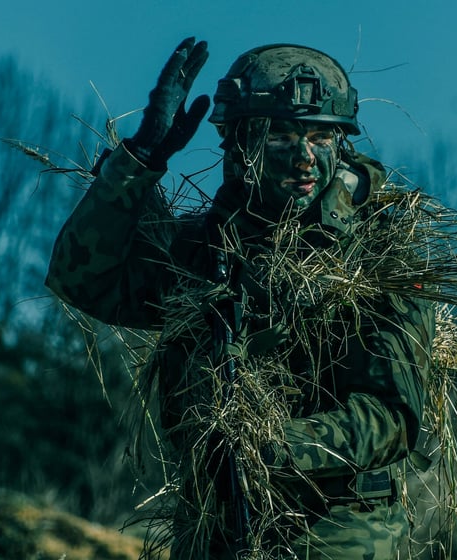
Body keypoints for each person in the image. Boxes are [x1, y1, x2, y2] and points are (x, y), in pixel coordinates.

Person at [46, 37, 436, 559]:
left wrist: (270, 445)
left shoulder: (379, 252)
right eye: (280, 134)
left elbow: (393, 418)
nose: (303, 157)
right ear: (238, 141)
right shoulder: (203, 249)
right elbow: (84, 282)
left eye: (321, 136)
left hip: (337, 533)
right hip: (212, 528)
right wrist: (138, 163)